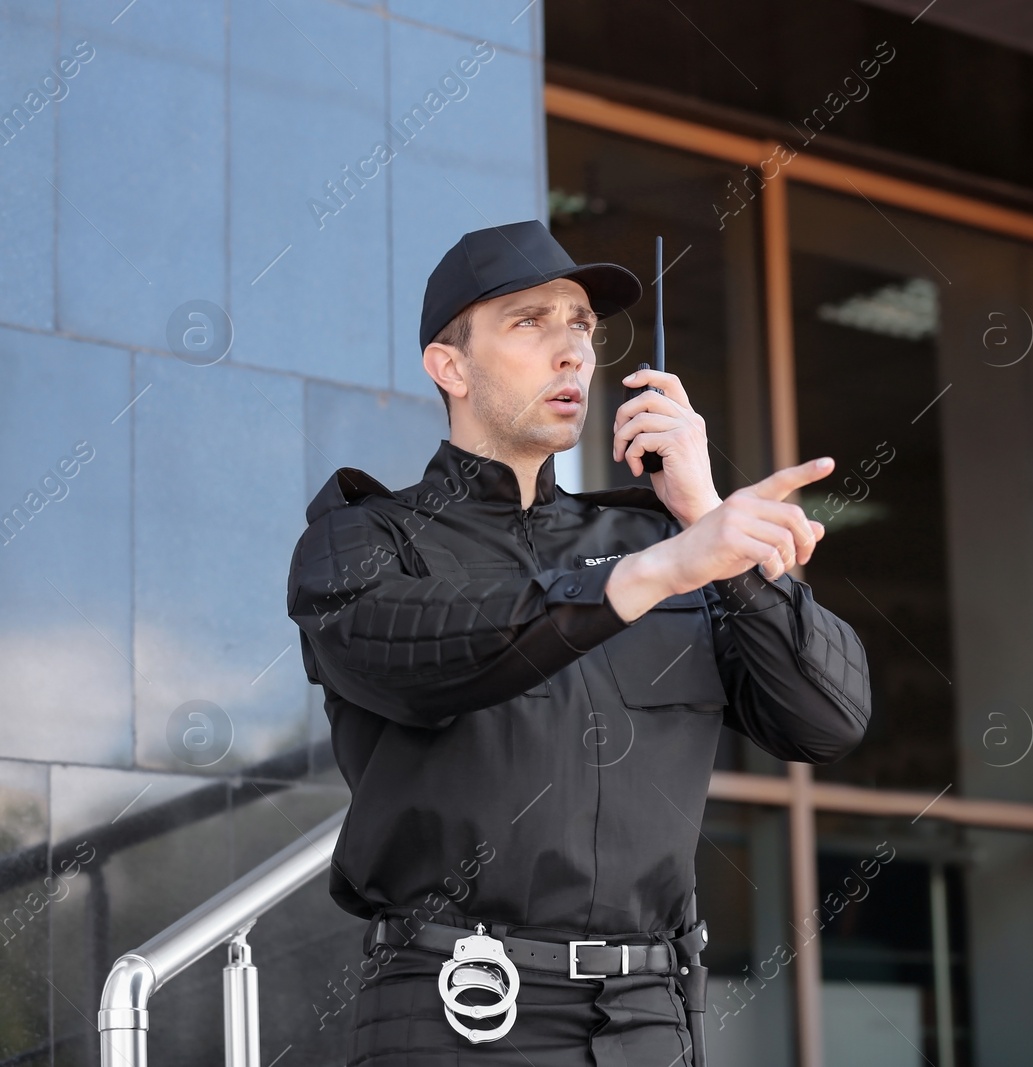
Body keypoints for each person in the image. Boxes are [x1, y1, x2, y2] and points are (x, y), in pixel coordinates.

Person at [284, 219, 872, 1065]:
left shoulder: (663, 540)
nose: (572, 351)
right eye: (530, 321)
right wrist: (655, 571)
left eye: (583, 327)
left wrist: (706, 516)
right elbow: (416, 661)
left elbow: (827, 719)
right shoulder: (365, 539)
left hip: (649, 1018)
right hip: (461, 1011)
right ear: (449, 365)